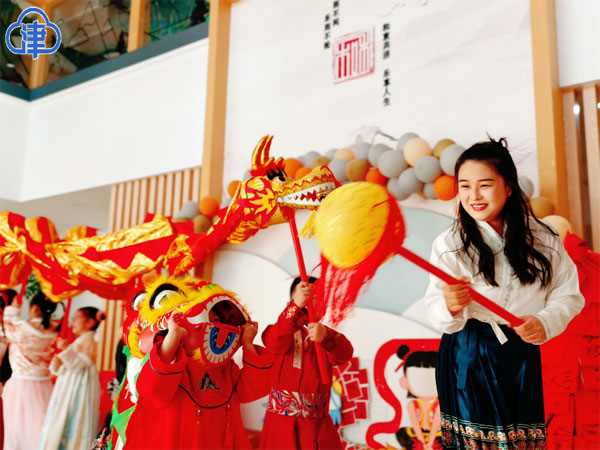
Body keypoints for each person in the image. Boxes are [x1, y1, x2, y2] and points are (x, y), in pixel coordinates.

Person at [423, 138, 585, 449]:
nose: (474, 196)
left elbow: (569, 295)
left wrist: (545, 322)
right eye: (465, 186)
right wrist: (449, 305)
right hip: (469, 353)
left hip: (521, 350)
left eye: (484, 185)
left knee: (521, 442)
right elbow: (435, 311)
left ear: (508, 187)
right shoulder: (449, 243)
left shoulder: (543, 237)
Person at [122, 298, 273, 449]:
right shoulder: (173, 361)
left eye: (218, 320)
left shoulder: (226, 366)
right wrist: (173, 336)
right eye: (210, 320)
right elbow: (151, 390)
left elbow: (253, 389)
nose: (217, 326)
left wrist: (248, 344)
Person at [259, 277, 354, 450]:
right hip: (280, 426)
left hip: (316, 427)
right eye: (305, 296)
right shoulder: (280, 331)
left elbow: (345, 354)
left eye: (318, 297)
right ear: (292, 300)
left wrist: (326, 337)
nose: (311, 301)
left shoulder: (325, 334)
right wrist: (295, 307)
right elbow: (273, 341)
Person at [38, 306, 105, 450]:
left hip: (79, 386)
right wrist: (57, 362)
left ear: (90, 323)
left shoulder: (89, 342)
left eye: (77, 318)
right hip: (69, 385)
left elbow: (77, 365)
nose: (73, 321)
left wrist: (66, 350)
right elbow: (67, 367)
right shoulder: (78, 342)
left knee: (76, 416)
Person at [2, 291, 57, 450]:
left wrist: (14, 307)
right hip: (45, 383)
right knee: (40, 427)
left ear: (34, 308)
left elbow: (7, 324)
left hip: (20, 383)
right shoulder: (55, 330)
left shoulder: (23, 328)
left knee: (15, 429)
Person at [394, 344, 441, 450]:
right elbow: (415, 425)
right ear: (405, 382)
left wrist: (430, 443)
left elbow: (435, 425)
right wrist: (422, 443)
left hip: (436, 436)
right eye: (417, 378)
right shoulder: (412, 405)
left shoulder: (439, 405)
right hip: (417, 437)